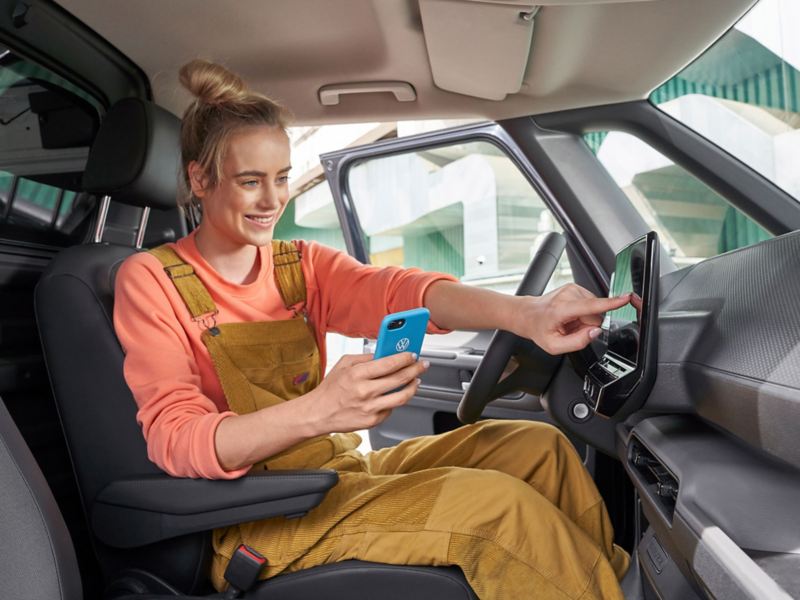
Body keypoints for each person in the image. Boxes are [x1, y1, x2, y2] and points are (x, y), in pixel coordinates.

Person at [113, 59, 632, 600]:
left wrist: (526, 314)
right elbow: (175, 439)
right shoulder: (150, 280)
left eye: (282, 177)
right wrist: (321, 409)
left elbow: (402, 291)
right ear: (200, 179)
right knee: (499, 510)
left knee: (537, 447)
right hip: (261, 515)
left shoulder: (299, 264)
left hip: (339, 474)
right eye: (250, 182)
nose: (273, 201)